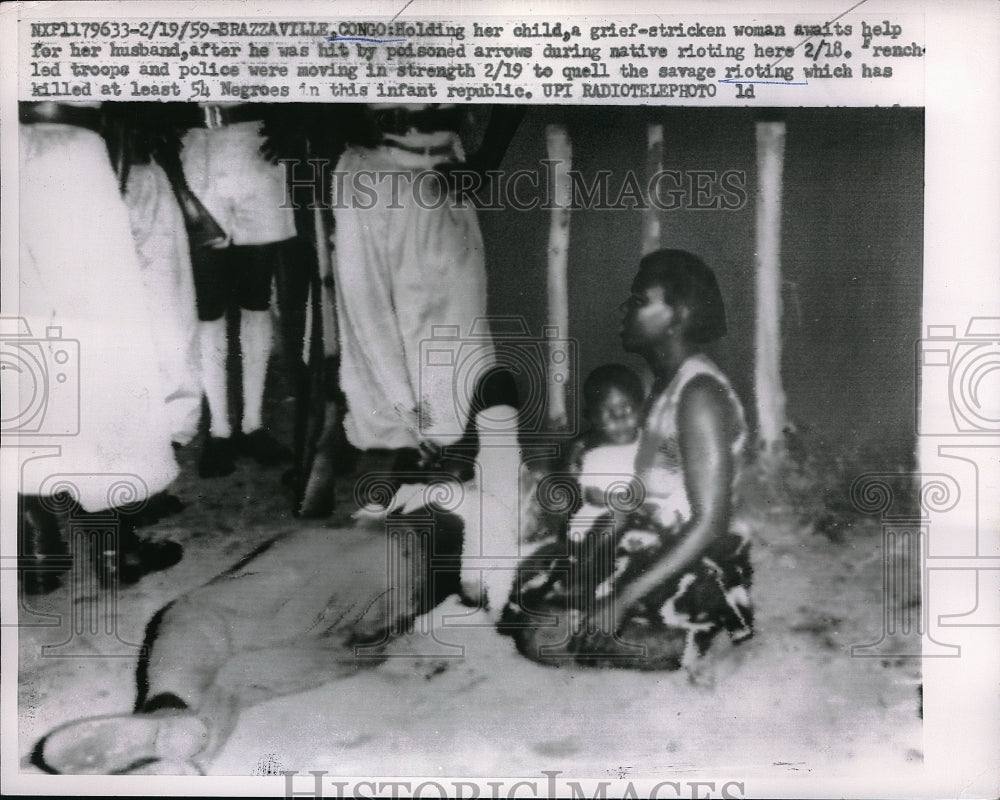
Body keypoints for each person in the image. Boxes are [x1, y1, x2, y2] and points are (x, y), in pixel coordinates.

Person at [500, 249, 754, 671]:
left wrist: (623, 599)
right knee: (530, 582)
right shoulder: (668, 386)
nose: (626, 309)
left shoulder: (700, 395)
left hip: (695, 556)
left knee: (542, 634)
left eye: (640, 301)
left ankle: (693, 640)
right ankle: (647, 625)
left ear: (679, 315)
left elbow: (711, 522)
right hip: (653, 539)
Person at [15, 101, 184, 590]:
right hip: (71, 146)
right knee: (104, 344)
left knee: (22, 347)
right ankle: (117, 550)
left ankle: (39, 548)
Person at [332, 104, 523, 478]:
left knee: (448, 316)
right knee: (368, 314)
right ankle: (399, 442)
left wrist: (488, 159)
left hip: (437, 169)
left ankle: (442, 440)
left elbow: (528, 73)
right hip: (367, 167)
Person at [171, 103, 298, 478]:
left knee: (256, 299)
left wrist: (297, 121)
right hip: (197, 148)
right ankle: (220, 432)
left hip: (254, 148)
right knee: (209, 306)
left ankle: (253, 425)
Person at [564, 364, 645, 543]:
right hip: (601, 521)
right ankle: (588, 566)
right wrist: (625, 502)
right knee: (612, 521)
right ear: (593, 418)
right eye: (608, 414)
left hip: (642, 518)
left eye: (627, 409)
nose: (620, 419)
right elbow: (593, 495)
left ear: (641, 407)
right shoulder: (597, 456)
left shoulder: (649, 443)